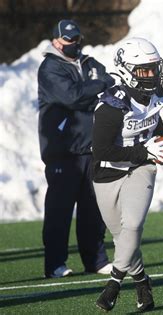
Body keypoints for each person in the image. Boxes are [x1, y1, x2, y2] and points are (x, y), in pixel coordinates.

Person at [92, 37, 163, 312]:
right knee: (121, 237)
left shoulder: (154, 96)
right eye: (143, 70)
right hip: (108, 172)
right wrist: (144, 150)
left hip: (142, 168)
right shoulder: (110, 106)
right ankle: (142, 282)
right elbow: (102, 150)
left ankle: (113, 285)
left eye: (153, 68)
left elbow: (156, 126)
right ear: (126, 69)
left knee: (133, 226)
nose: (151, 75)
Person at [38, 19, 114, 278]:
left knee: (94, 209)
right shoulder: (49, 68)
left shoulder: (90, 64)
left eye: (76, 39)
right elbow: (72, 97)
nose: (74, 44)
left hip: (92, 147)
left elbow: (111, 84)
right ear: (56, 41)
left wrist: (94, 89)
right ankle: (55, 264)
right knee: (59, 211)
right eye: (68, 40)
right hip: (63, 151)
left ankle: (96, 260)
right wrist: (96, 89)